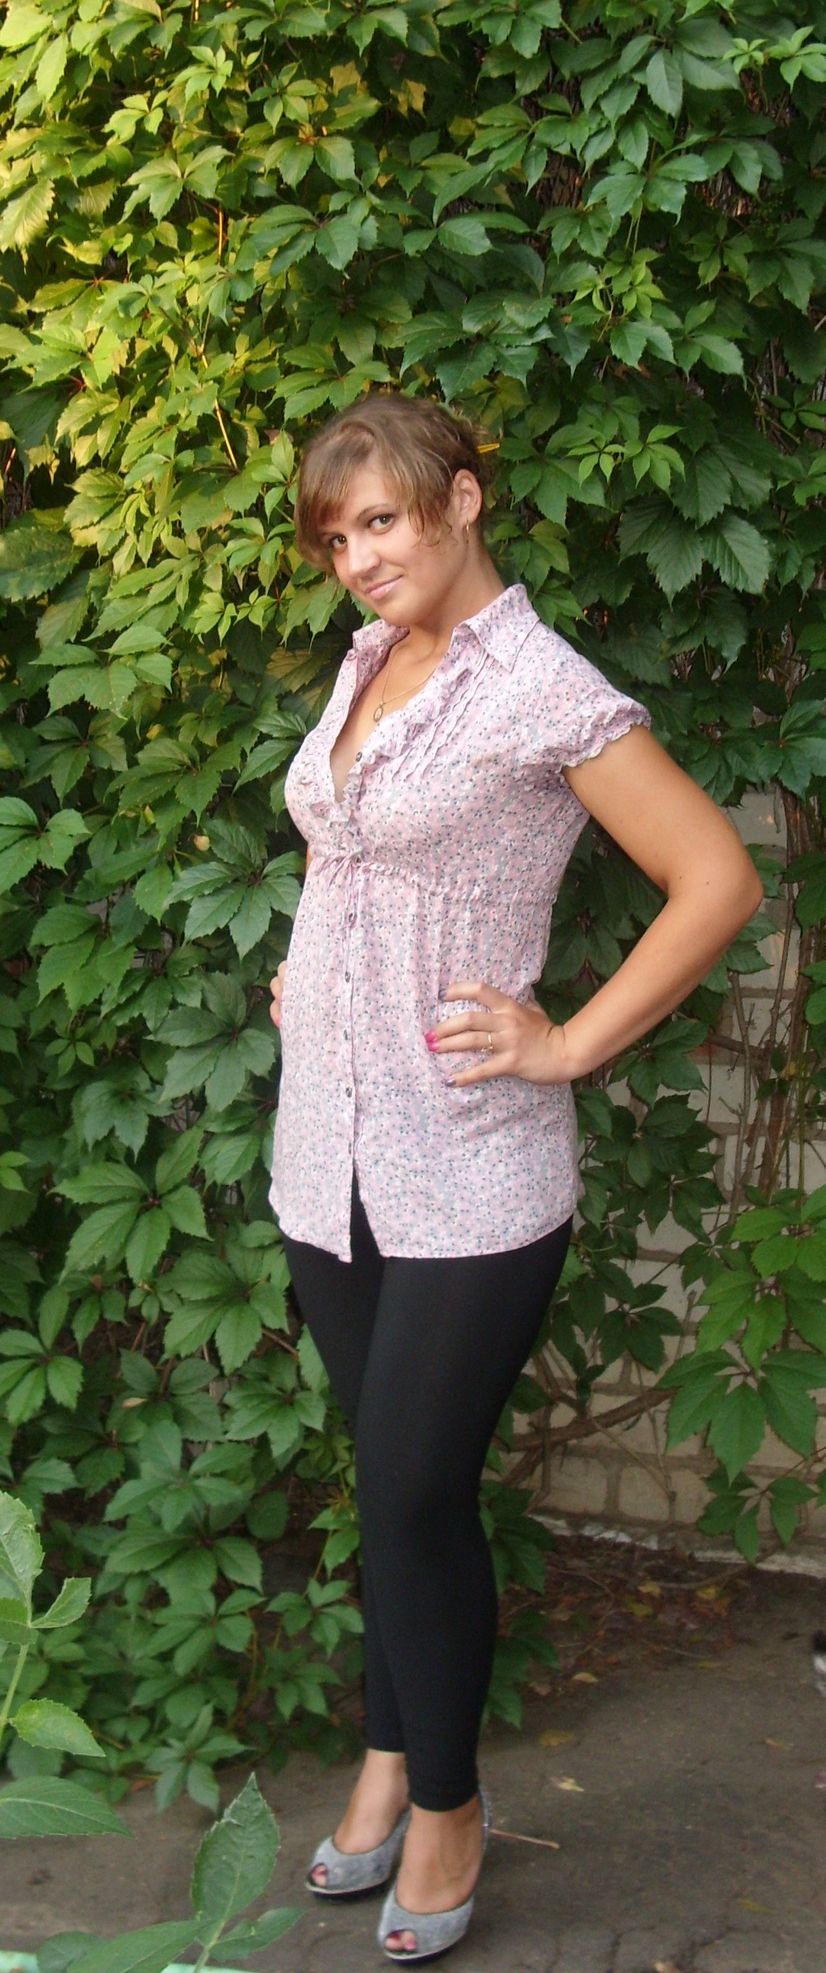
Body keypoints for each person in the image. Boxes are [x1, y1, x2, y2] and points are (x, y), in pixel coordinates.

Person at [267, 392, 762, 1963]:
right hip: (325, 1146)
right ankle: (387, 1754)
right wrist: (309, 973)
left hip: (467, 1164)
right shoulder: (369, 662)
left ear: (463, 500)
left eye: (382, 521)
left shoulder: (540, 688)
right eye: (335, 536)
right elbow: (348, 853)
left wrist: (566, 1045)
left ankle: (448, 1806)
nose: (358, 558)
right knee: (385, 1482)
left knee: (415, 1490)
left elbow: (713, 878)